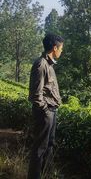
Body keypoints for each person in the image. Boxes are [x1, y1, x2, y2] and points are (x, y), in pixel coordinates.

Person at [27, 34, 64, 179]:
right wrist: (46, 111)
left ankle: (47, 175)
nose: (61, 51)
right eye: (61, 48)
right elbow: (35, 95)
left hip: (51, 111)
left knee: (49, 145)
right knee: (40, 148)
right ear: (54, 48)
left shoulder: (49, 64)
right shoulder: (41, 64)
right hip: (45, 112)